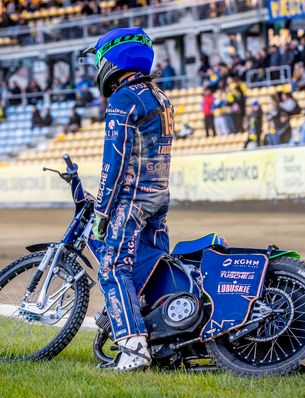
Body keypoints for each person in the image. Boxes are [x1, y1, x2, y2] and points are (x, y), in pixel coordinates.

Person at [85, 27, 174, 372]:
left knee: (112, 267)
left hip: (132, 201)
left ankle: (134, 350)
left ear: (112, 60)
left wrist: (103, 211)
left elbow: (114, 161)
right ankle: (161, 335)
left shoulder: (122, 100)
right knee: (150, 266)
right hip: (159, 196)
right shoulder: (159, 96)